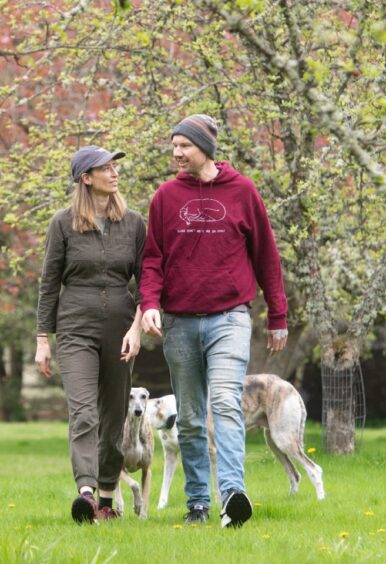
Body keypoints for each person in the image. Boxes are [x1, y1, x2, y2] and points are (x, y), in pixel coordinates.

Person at [139, 115, 288, 528]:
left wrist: (278, 314)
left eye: (183, 145)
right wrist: (149, 302)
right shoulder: (165, 197)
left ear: (204, 146)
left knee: (224, 402)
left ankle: (232, 495)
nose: (176, 153)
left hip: (230, 318)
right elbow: (152, 259)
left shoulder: (243, 191)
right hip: (180, 321)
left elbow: (267, 257)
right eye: (173, 146)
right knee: (189, 416)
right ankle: (198, 503)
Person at [35, 145, 146, 524]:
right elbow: (49, 284)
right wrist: (41, 339)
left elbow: (147, 283)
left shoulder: (133, 223)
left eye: (116, 167)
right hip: (75, 328)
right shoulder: (62, 223)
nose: (115, 173)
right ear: (86, 178)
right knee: (84, 412)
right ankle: (84, 493)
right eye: (106, 168)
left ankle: (106, 499)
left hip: (120, 327)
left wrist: (137, 328)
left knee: (114, 417)